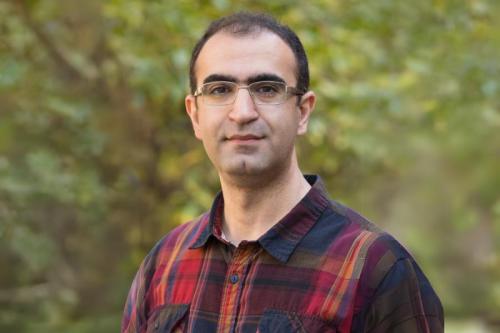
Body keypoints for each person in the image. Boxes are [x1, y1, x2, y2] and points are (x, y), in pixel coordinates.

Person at [122, 12, 444, 333]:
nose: (243, 113)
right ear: (194, 115)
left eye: (266, 89)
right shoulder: (162, 265)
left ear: (302, 112)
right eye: (220, 90)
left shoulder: (377, 270)